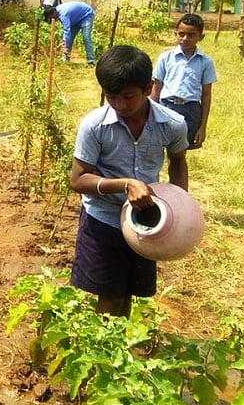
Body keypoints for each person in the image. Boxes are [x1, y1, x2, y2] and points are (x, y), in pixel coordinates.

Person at [69, 45, 189, 317]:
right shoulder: (94, 125)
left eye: (128, 96)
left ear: (148, 88)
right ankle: (101, 354)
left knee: (128, 293)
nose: (120, 105)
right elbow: (77, 179)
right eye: (111, 97)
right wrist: (126, 184)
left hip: (145, 223)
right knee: (109, 296)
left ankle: (120, 351)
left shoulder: (172, 124)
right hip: (104, 220)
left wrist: (179, 204)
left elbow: (178, 160)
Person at [150, 13, 217, 150]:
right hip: (166, 107)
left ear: (201, 37)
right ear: (175, 34)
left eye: (191, 35)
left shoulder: (206, 62)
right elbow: (156, 88)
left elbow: (206, 95)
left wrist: (202, 126)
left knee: (179, 152)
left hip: (191, 110)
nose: (185, 38)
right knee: (157, 146)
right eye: (181, 34)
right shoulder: (166, 58)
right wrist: (150, 114)